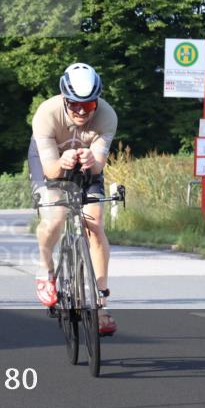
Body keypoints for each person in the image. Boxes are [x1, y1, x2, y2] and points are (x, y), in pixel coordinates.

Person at [28, 63, 118, 335]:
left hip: (86, 165)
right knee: (55, 217)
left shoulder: (107, 116)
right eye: (74, 104)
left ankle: (100, 301)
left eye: (88, 105)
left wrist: (92, 160)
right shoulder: (46, 114)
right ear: (64, 99)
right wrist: (62, 162)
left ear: (96, 102)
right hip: (50, 162)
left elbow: (98, 167)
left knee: (95, 222)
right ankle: (46, 270)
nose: (81, 111)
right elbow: (50, 170)